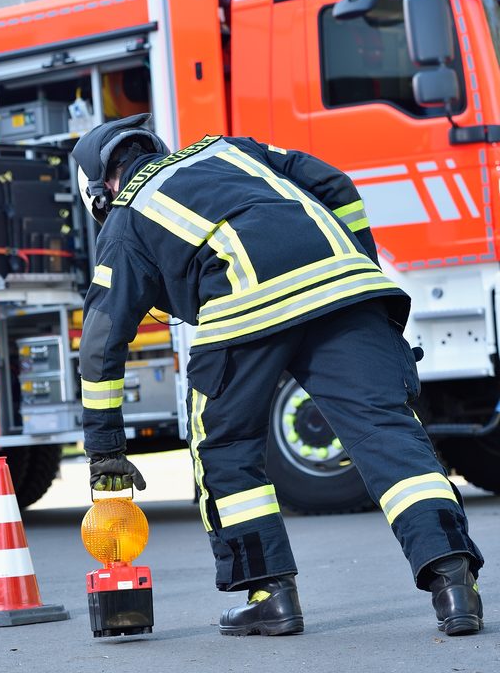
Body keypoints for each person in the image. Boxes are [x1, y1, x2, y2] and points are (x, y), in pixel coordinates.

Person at [71, 113, 484, 637]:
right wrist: (359, 263)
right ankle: (453, 582)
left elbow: (101, 342)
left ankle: (271, 597)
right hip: (345, 290)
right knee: (387, 432)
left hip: (245, 307)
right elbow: (336, 184)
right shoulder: (230, 149)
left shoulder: (128, 215)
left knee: (225, 447)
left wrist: (105, 449)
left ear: (101, 193)